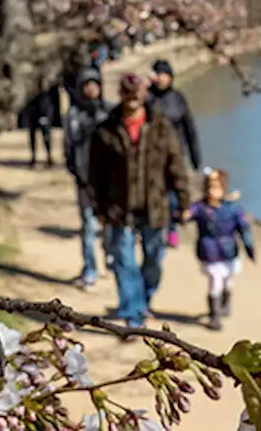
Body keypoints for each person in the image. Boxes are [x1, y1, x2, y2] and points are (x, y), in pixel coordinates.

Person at [88, 74, 190, 329]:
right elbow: (95, 173)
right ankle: (133, 316)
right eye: (127, 92)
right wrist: (97, 206)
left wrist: (184, 201)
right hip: (118, 207)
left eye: (137, 92)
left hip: (154, 205)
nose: (132, 97)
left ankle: (143, 300)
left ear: (144, 95)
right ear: (120, 94)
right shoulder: (105, 129)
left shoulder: (161, 127)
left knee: (154, 259)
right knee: (124, 261)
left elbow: (176, 165)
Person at [181, 168, 255, 331]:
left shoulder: (233, 209)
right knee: (215, 280)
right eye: (209, 187)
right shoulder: (200, 207)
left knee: (228, 280)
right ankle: (214, 315)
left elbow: (244, 228)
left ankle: (226, 300)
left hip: (229, 251)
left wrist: (249, 248)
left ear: (223, 189)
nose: (212, 191)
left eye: (216, 188)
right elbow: (186, 215)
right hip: (209, 251)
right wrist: (182, 215)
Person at [146, 60, 203, 248]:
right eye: (158, 75)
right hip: (152, 155)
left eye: (165, 75)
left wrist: (195, 155)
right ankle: (152, 227)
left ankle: (171, 229)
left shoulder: (178, 98)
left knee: (172, 196)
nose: (162, 79)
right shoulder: (147, 98)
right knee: (154, 193)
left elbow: (189, 127)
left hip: (176, 154)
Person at [63, 68, 110, 290]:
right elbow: (69, 148)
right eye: (87, 84)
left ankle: (111, 259)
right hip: (84, 179)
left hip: (109, 181)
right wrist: (77, 172)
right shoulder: (73, 116)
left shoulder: (108, 113)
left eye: (95, 84)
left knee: (110, 226)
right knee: (89, 226)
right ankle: (90, 268)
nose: (91, 88)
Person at [18, 82, 61, 168]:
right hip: (33, 114)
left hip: (44, 114)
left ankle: (49, 158)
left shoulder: (47, 91)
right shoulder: (30, 90)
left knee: (46, 138)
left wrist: (47, 116)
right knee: (33, 138)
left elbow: (50, 104)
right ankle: (33, 158)